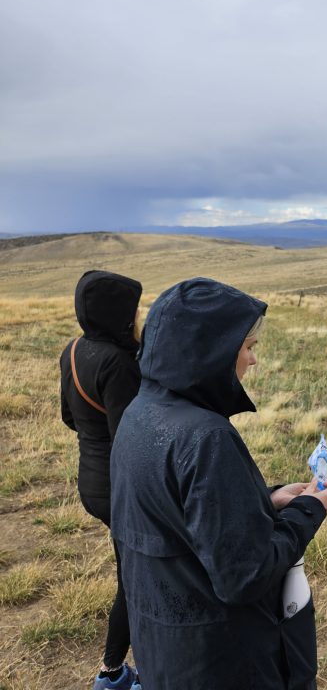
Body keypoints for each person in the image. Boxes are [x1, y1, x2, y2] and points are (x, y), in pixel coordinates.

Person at [110, 277, 327, 690]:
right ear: (212, 351)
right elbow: (245, 575)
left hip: (163, 646)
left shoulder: (140, 413)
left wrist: (265, 501)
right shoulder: (206, 437)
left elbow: (178, 519)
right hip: (220, 659)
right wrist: (309, 510)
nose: (253, 360)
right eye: (248, 347)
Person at [59, 270, 144, 690]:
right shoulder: (118, 363)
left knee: (132, 573)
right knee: (137, 580)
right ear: (118, 314)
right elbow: (130, 439)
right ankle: (113, 674)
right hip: (120, 490)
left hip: (91, 482)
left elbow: (69, 417)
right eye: (134, 310)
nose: (139, 317)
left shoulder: (73, 350)